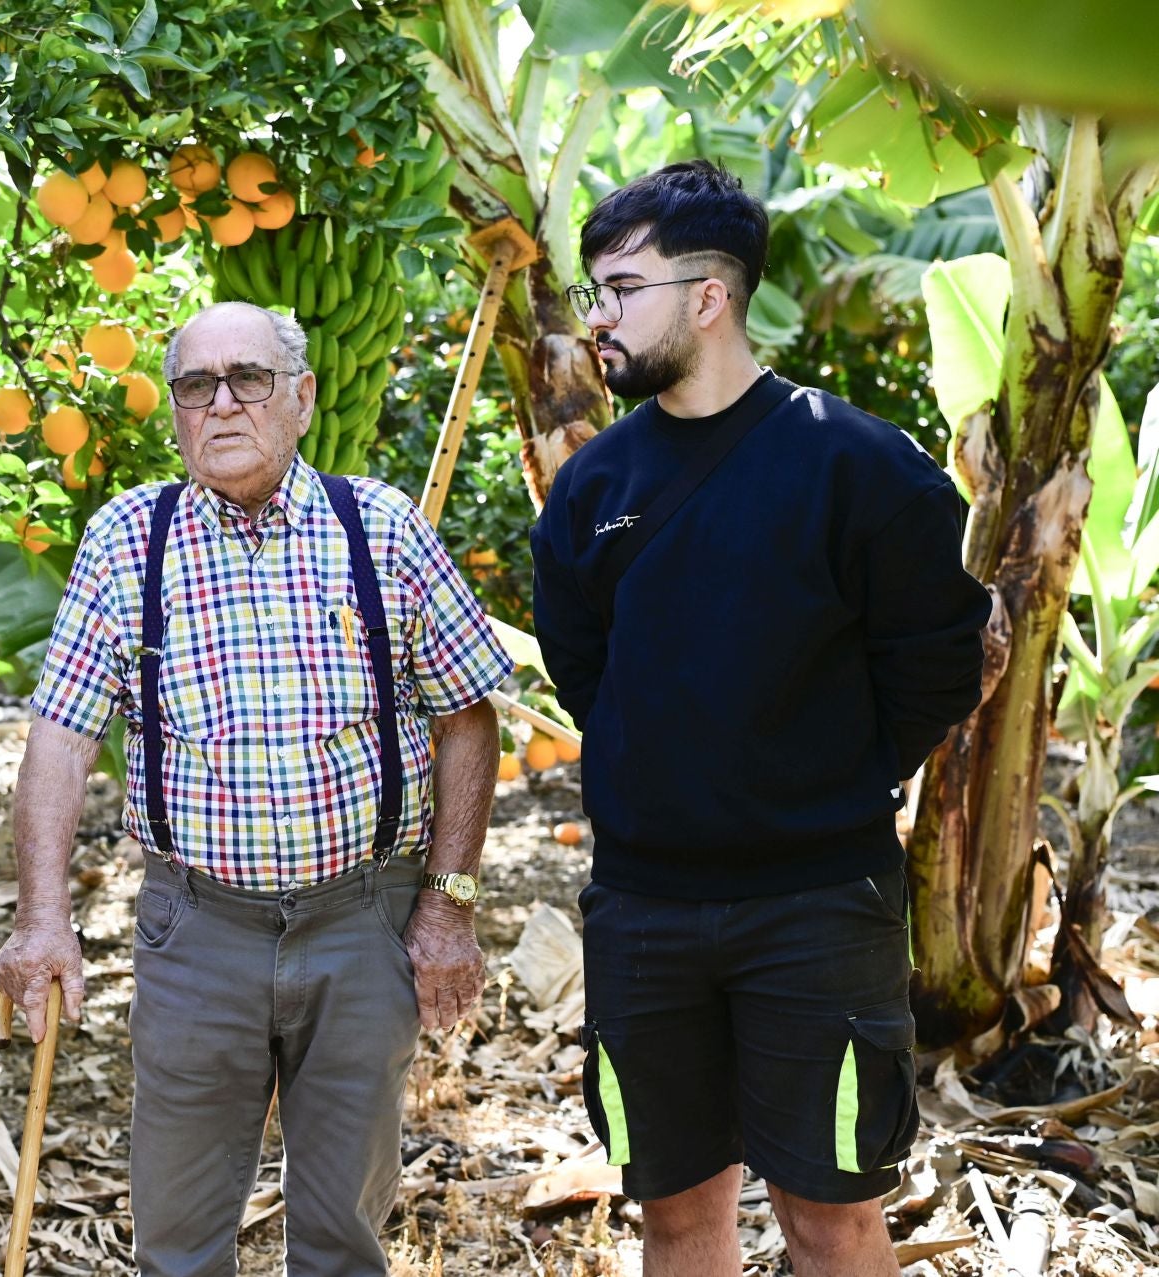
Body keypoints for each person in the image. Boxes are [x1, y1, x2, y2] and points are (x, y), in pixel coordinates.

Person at [531, 160, 992, 1276]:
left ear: (709, 296)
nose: (598, 319)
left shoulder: (859, 465)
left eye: (621, 289)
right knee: (676, 1216)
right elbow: (586, 668)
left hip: (817, 903)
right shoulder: (595, 487)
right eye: (594, 291)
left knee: (830, 1220)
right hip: (645, 907)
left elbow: (937, 663)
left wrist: (823, 771)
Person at [0, 300, 511, 1276]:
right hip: (198, 929)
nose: (222, 403)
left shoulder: (382, 528)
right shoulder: (127, 540)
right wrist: (43, 917)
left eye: (249, 378)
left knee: (344, 1234)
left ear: (302, 398)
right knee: (178, 1236)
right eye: (196, 385)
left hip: (363, 921)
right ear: (176, 411)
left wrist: (448, 905)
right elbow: (62, 736)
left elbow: (467, 714)